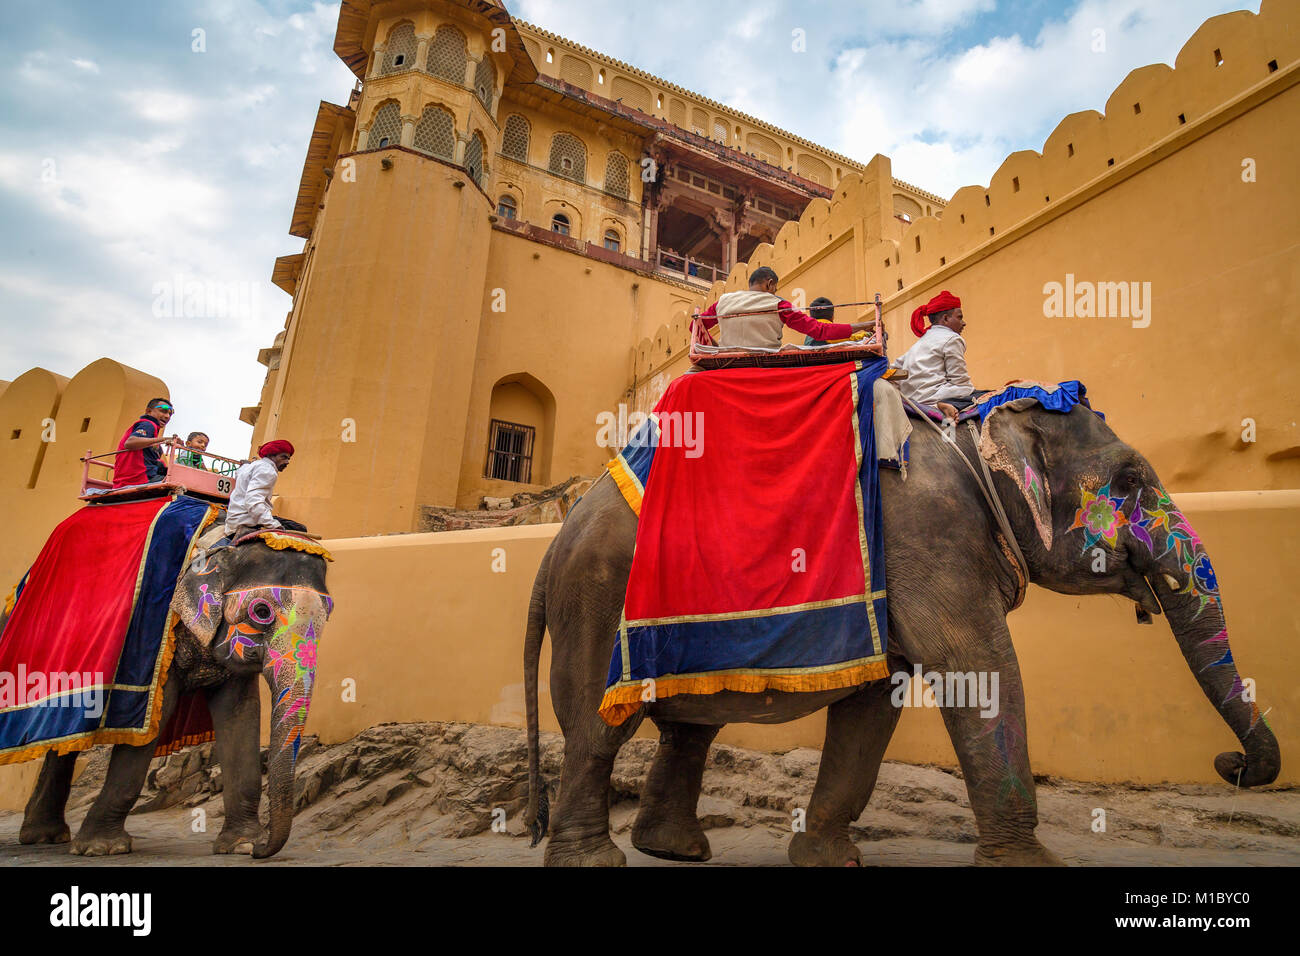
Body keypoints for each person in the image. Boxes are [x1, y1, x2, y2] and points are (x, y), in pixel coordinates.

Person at [696, 267, 878, 349]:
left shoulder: (723, 301)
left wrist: (717, 348)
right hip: (765, 366)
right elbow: (820, 331)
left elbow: (695, 327)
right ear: (770, 284)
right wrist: (865, 325)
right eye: (775, 288)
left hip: (727, 364)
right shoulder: (778, 304)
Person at [892, 290, 986, 420]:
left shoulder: (922, 341)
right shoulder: (952, 339)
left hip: (912, 400)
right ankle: (943, 405)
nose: (963, 323)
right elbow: (960, 381)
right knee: (985, 395)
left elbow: (895, 367)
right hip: (934, 396)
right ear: (946, 318)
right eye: (959, 317)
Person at [224, 439, 295, 540]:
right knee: (300, 528)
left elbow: (239, 472)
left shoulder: (252, 466)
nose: (287, 462)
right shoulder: (268, 470)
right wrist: (274, 525)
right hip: (247, 521)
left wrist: (245, 464)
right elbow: (253, 502)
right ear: (271, 455)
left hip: (234, 521)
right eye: (283, 457)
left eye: (288, 459)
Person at [112, 398, 175, 488]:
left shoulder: (150, 431)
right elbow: (129, 443)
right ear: (148, 411)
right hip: (138, 479)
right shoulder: (148, 424)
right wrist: (163, 439)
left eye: (170, 414)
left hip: (130, 478)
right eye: (163, 411)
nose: (167, 416)